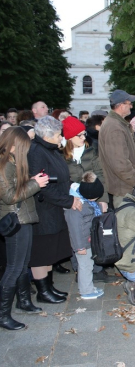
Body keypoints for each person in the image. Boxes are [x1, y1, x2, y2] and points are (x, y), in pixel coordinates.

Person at [28, 116, 83, 304]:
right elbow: (42, 185)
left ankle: (49, 286)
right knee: (42, 252)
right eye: (59, 135)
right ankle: (43, 291)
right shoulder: (36, 152)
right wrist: (67, 200)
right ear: (47, 135)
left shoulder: (49, 149)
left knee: (51, 250)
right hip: (44, 210)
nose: (61, 138)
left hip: (54, 207)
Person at [0, 127, 49, 330]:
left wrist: (32, 181)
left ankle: (24, 301)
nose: (26, 151)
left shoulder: (12, 162)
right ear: (13, 145)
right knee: (14, 268)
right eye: (24, 147)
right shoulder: (3, 165)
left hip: (23, 219)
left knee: (22, 265)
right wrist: (35, 184)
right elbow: (10, 196)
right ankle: (3, 315)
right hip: (15, 221)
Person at [61, 117, 114, 283]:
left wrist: (103, 199)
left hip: (93, 198)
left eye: (84, 134)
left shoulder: (90, 151)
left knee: (95, 233)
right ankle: (80, 270)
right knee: (78, 237)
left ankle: (97, 269)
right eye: (80, 135)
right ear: (70, 138)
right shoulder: (61, 156)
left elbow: (101, 176)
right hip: (73, 202)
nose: (84, 138)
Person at [64, 172, 106, 299]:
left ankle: (88, 286)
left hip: (88, 240)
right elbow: (74, 229)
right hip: (82, 243)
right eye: (94, 198)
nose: (96, 200)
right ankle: (86, 291)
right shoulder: (76, 208)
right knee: (85, 266)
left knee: (88, 265)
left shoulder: (88, 202)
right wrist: (79, 247)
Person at [99, 89, 135, 208]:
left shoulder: (118, 124)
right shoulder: (114, 127)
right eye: (129, 103)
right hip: (124, 189)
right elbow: (120, 163)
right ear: (121, 105)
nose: (131, 106)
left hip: (126, 187)